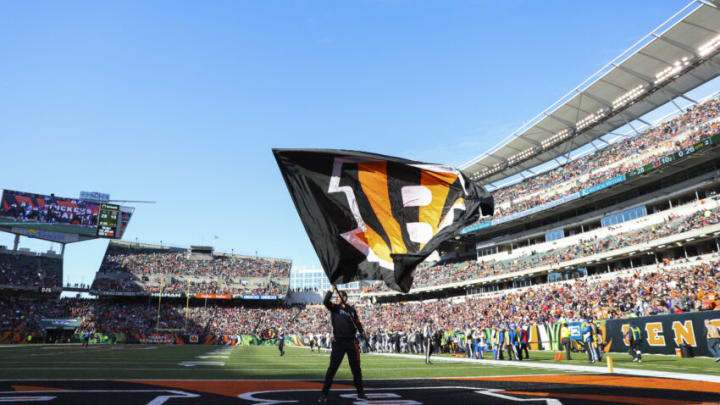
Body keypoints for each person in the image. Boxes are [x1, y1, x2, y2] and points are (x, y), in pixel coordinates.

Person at [318, 286, 367, 403]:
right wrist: (331, 290)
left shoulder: (351, 310)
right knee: (332, 369)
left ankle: (360, 392)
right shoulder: (334, 308)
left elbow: (357, 322)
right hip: (338, 342)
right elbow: (325, 301)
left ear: (344, 298)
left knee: (356, 369)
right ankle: (324, 394)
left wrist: (362, 331)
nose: (336, 298)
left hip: (351, 342)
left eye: (338, 297)